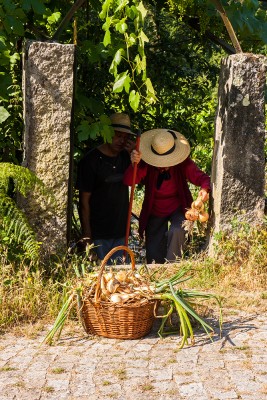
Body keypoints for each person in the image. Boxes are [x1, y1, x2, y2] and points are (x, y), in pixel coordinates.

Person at [123, 128, 210, 263]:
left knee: (178, 230)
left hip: (178, 207)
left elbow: (203, 178)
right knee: (153, 252)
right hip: (155, 208)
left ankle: (173, 267)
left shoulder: (183, 163)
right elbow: (129, 181)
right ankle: (157, 273)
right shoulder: (146, 164)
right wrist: (135, 164)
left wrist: (204, 189)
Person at [76, 113, 135, 262]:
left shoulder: (126, 158)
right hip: (99, 233)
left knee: (122, 278)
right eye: (117, 135)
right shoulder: (90, 161)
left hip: (121, 230)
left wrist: (135, 158)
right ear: (106, 133)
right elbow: (83, 202)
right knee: (101, 277)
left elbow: (140, 178)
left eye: (125, 137)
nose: (121, 141)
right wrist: (87, 236)